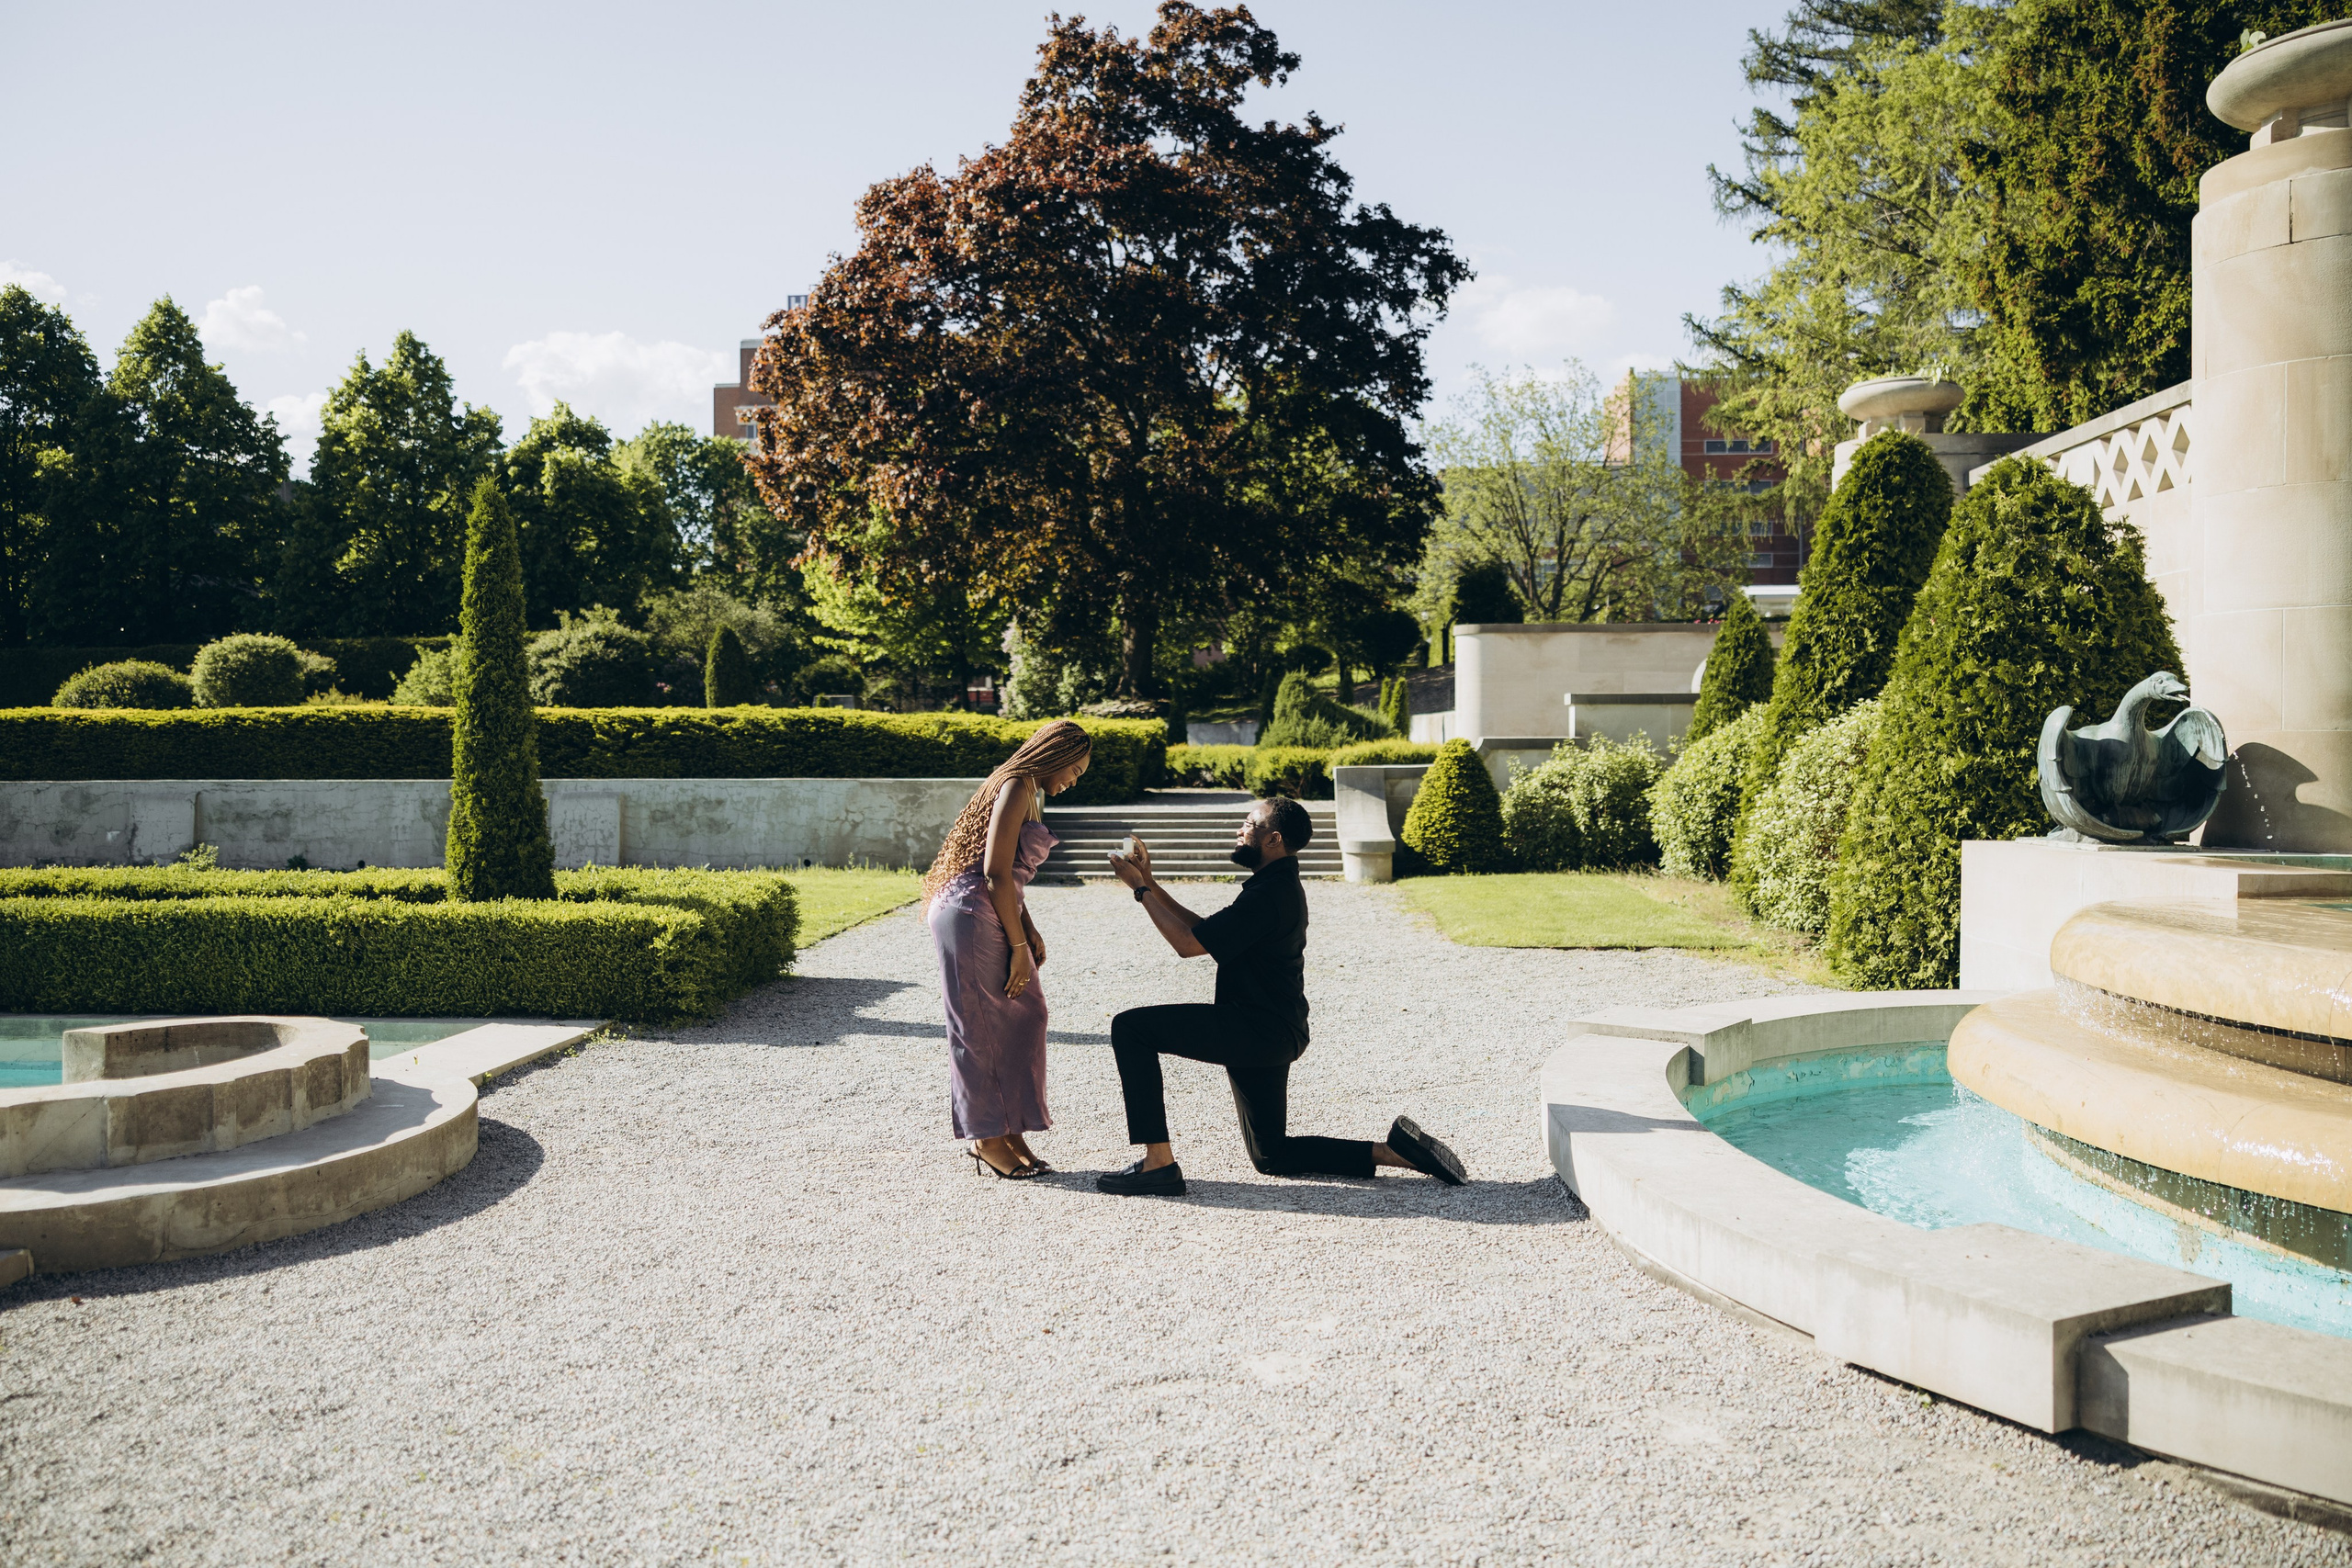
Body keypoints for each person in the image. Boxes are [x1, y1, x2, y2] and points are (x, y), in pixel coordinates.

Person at [1098, 795, 1468, 1196]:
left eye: (1248, 825)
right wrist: (1150, 882)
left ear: (1273, 839)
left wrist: (1139, 891)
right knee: (1271, 1155)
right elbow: (1205, 933)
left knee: (1131, 1028)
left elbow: (1187, 945)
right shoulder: (1274, 885)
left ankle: (1158, 1164)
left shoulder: (1269, 895)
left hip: (1255, 1029)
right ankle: (1392, 1152)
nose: (1240, 830)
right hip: (1273, 1031)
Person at [922, 718, 1091, 1179]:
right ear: (1055, 756)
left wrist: (1028, 929)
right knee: (977, 1028)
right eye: (1074, 770)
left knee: (1027, 1015)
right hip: (972, 914)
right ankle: (986, 1137)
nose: (1073, 781)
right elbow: (994, 872)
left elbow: (1009, 874)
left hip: (991, 909)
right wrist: (1018, 945)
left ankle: (1010, 1127)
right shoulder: (1017, 785)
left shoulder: (1028, 789)